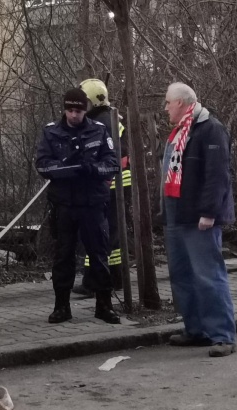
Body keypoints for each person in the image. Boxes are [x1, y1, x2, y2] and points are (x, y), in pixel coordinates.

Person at [159, 83, 237, 358]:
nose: (166, 107)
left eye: (168, 102)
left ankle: (222, 336)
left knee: (207, 275)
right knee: (182, 277)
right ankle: (196, 330)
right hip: (176, 215)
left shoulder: (210, 129)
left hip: (198, 217)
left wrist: (209, 212)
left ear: (181, 103)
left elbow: (217, 175)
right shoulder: (180, 131)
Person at [34, 88, 121, 325]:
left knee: (99, 255)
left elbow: (112, 164)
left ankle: (104, 305)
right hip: (64, 205)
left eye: (79, 111)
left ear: (86, 110)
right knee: (63, 257)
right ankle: (61, 306)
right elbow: (43, 166)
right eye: (70, 110)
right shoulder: (51, 132)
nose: (74, 115)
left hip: (93, 203)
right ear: (64, 109)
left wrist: (92, 170)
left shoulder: (99, 131)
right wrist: (69, 168)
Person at [74, 78, 128, 295]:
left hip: (108, 185)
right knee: (108, 233)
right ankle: (110, 278)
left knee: (100, 233)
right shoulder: (108, 118)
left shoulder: (100, 123)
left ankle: (98, 281)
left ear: (92, 101)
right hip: (115, 184)